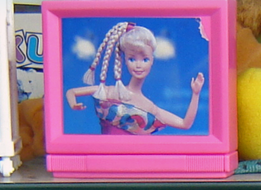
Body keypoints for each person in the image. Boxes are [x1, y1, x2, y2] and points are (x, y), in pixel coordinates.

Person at [66, 22, 205, 135]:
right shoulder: (109, 92)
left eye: (144, 59)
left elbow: (185, 124)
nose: (138, 65)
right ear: (124, 60)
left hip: (134, 160)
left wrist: (196, 94)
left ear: (152, 61)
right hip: (104, 156)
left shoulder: (150, 107)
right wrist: (73, 104)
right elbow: (71, 92)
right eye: (132, 59)